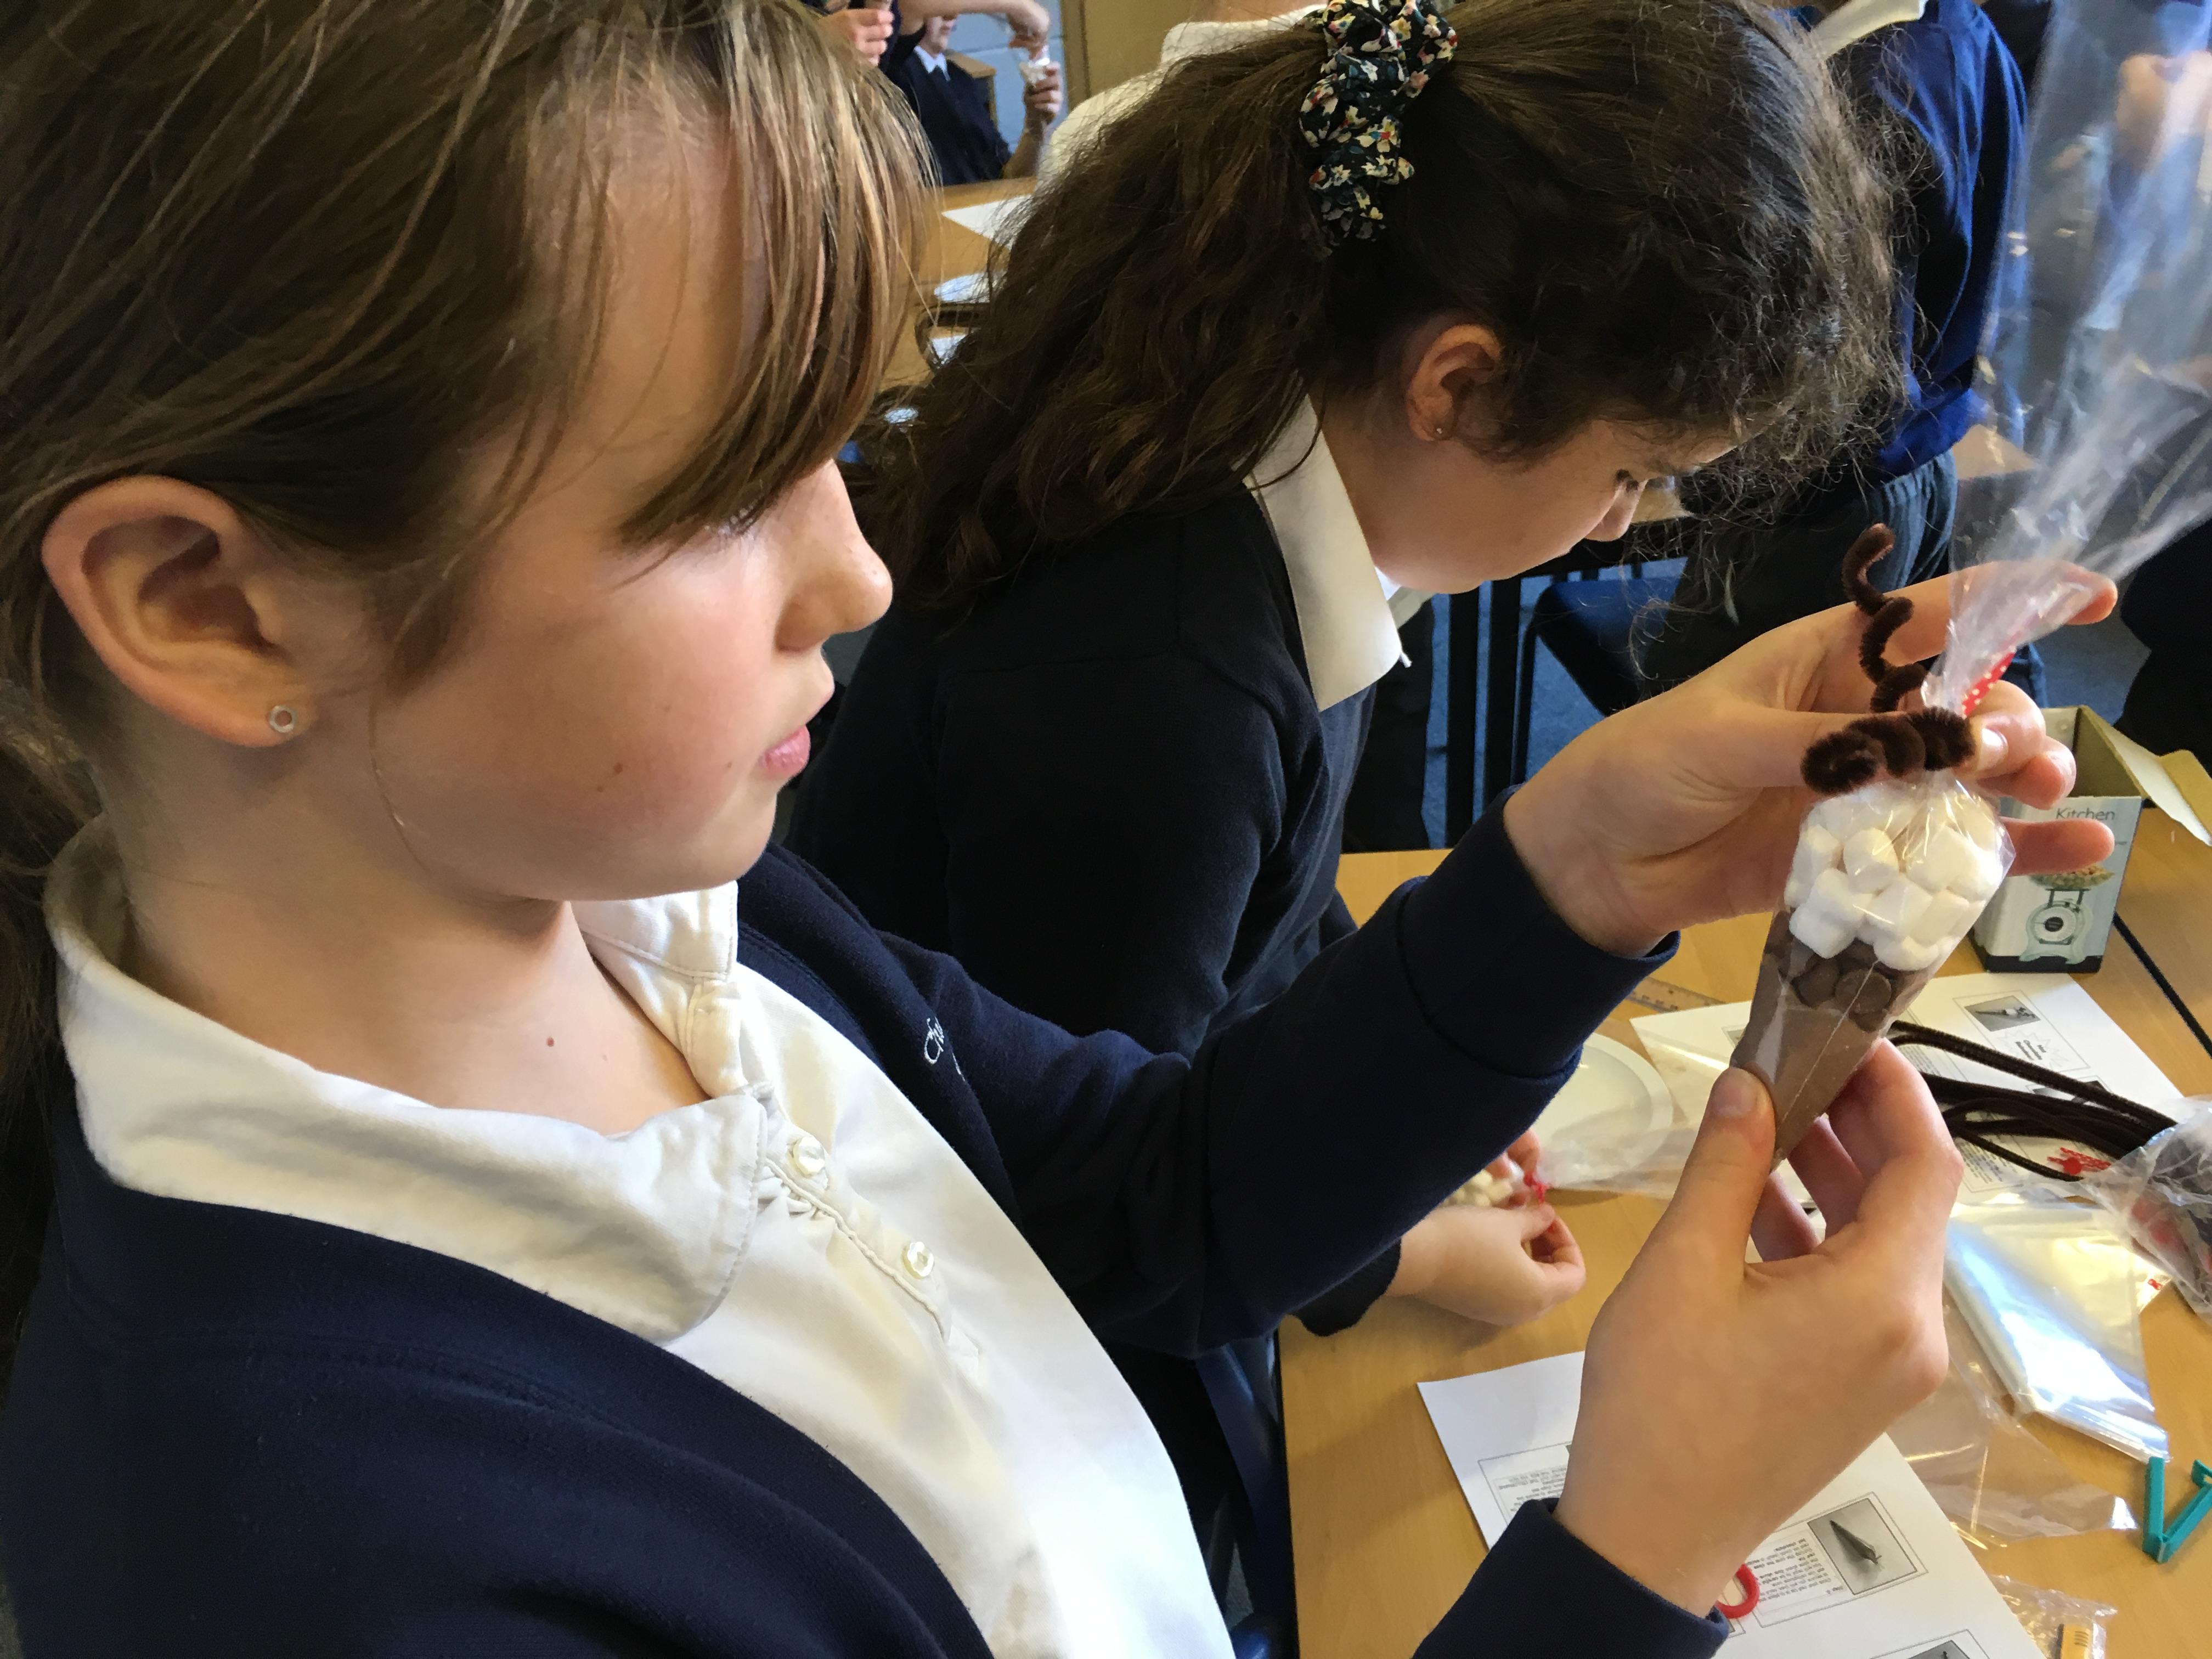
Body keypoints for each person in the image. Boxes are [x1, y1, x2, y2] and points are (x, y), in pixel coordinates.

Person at [0, 3, 2112, 1656]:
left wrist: (1587, 857)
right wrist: (1631, 1549)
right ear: (206, 603)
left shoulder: (676, 917)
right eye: (720, 494)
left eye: (830, 449)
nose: (856, 574)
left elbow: (1143, 1194)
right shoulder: (317, 1549)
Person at [1640, 0, 2029, 692]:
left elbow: (1837, 365)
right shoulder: (1961, 31)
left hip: (1826, 497)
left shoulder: (1869, 94)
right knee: (1840, 702)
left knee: (1727, 708)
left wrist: (1689, 471)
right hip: (1914, 456)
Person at [888, 11, 1064, 184]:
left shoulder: (961, 79)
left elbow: (1010, 178)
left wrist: (1035, 128)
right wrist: (1017, 7)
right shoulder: (893, 71)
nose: (952, 15)